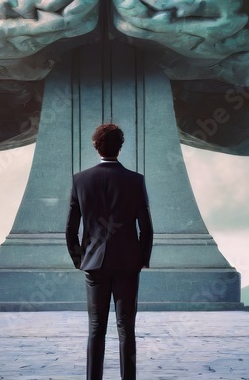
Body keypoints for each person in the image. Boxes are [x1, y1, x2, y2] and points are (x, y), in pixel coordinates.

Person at [66, 122, 154, 380]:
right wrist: (143, 258)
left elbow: (70, 228)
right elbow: (146, 228)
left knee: (96, 330)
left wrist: (80, 259)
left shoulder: (80, 180)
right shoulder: (135, 181)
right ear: (120, 147)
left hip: (94, 264)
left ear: (96, 146)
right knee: (127, 329)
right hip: (128, 264)